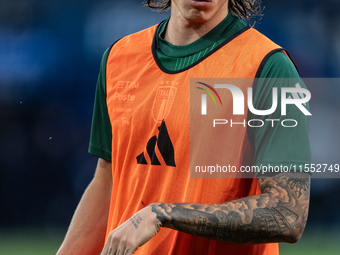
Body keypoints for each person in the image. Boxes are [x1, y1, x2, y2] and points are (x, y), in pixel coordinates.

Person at [56, 0, 311, 254]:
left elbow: (288, 213)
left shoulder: (269, 68)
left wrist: (163, 213)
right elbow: (108, 182)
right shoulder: (118, 58)